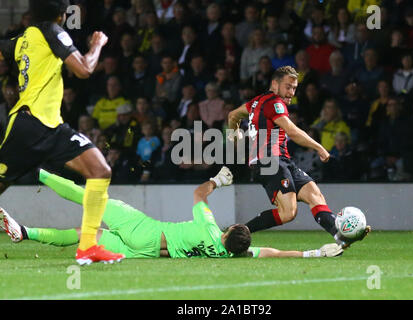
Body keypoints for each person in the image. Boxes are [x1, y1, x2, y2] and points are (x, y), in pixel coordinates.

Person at [0, 0, 124, 264]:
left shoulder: (23, 39)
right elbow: (84, 69)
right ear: (61, 14)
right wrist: (97, 44)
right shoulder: (52, 31)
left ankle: (88, 247)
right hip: (30, 125)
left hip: (50, 127)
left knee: (100, 170)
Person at [0, 168, 343, 259]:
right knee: (82, 236)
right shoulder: (226, 254)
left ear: (229, 230)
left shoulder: (211, 229)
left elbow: (197, 194)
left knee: (93, 198)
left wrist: (216, 181)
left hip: (146, 231)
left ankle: (39, 172)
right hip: (143, 252)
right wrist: (311, 252)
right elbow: (271, 253)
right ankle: (25, 232)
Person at [227, 66, 370, 249]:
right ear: (274, 84)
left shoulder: (256, 102)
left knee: (315, 195)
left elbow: (233, 115)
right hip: (269, 161)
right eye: (288, 87)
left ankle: (340, 236)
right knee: (288, 212)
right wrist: (319, 147)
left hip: (281, 160)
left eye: (294, 88)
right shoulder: (274, 102)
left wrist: (235, 139)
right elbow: (292, 131)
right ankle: (236, 233)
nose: (291, 92)